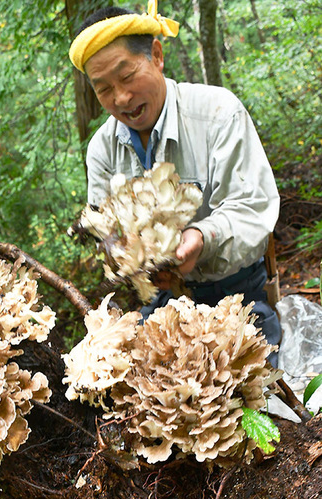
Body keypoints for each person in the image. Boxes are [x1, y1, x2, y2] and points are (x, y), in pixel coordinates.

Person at [69, 1, 281, 354]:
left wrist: (202, 237)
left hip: (239, 293)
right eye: (103, 88)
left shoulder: (218, 114)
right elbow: (105, 231)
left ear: (156, 55)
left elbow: (254, 209)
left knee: (249, 398)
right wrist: (124, 256)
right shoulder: (102, 150)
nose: (121, 97)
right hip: (167, 303)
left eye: (126, 76)